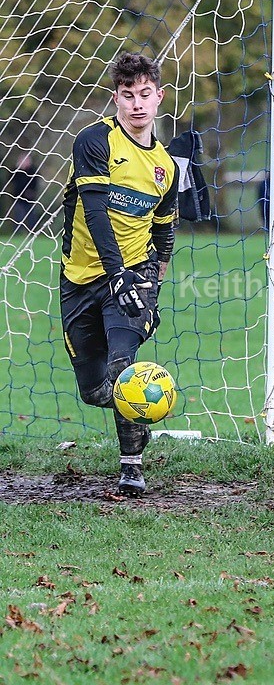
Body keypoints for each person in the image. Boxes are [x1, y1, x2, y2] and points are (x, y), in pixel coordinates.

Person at [60, 52, 178, 496]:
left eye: (145, 95)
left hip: (134, 276)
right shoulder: (94, 141)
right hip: (82, 277)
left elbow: (166, 231)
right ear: (116, 99)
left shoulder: (165, 166)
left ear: (159, 97)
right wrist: (114, 275)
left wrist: (152, 288)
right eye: (128, 96)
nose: (137, 105)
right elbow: (93, 212)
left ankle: (131, 466)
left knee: (122, 366)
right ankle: (139, 413)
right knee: (95, 389)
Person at [9, 152, 42, 233]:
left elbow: (36, 181)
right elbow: (10, 178)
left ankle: (32, 232)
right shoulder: (17, 171)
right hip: (18, 197)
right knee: (18, 216)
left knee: (31, 217)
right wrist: (17, 168)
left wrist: (32, 191)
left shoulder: (32, 170)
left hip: (29, 198)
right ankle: (17, 233)